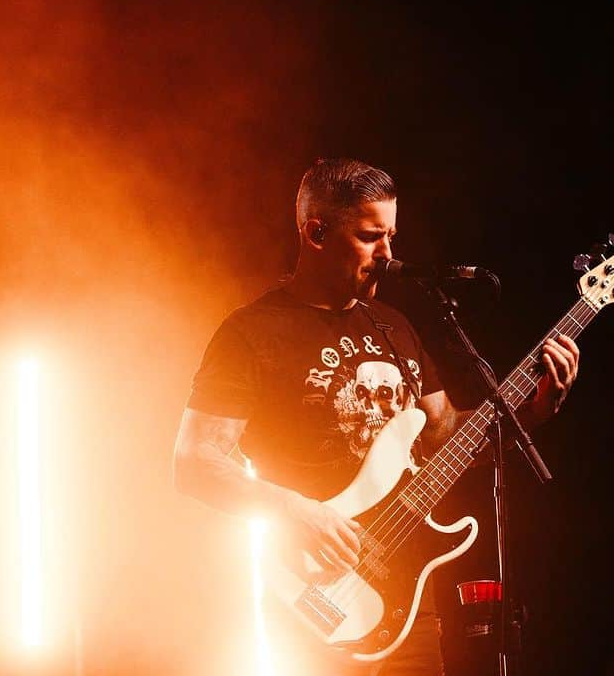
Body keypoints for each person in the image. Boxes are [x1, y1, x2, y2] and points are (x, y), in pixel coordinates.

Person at [172, 157, 579, 675]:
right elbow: (194, 461)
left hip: (406, 600)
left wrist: (536, 407)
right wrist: (300, 511)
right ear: (316, 233)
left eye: (391, 236)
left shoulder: (395, 326)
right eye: (370, 237)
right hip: (307, 595)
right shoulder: (253, 333)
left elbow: (445, 438)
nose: (387, 256)